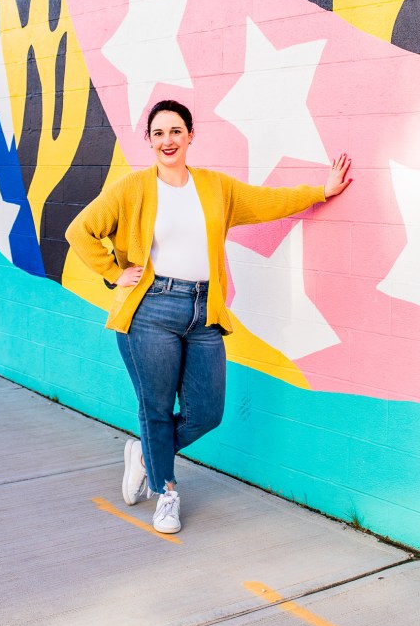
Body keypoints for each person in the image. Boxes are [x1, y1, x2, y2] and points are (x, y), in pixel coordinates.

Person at [65, 99, 352, 534]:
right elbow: (80, 231)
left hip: (204, 311)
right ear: (149, 140)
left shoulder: (215, 187)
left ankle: (144, 454)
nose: (167, 140)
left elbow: (266, 201)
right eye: (158, 133)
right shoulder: (133, 188)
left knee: (207, 412)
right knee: (156, 408)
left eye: (175, 131)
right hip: (151, 310)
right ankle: (166, 492)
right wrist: (114, 272)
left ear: (190, 136)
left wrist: (320, 191)